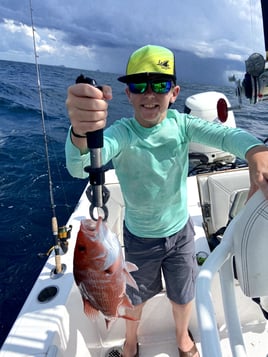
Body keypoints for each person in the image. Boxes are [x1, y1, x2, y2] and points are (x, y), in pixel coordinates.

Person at [65, 45, 268, 357]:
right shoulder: (122, 133)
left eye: (159, 85)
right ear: (127, 94)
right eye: (138, 85)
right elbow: (81, 166)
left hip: (181, 234)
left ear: (174, 93)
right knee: (134, 296)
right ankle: (131, 342)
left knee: (183, 293)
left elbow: (226, 137)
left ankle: (182, 338)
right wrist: (81, 133)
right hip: (139, 238)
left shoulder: (182, 125)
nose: (149, 94)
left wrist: (256, 151)